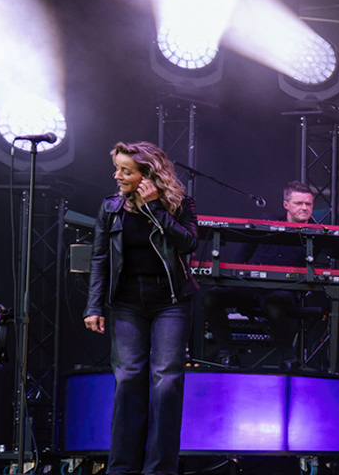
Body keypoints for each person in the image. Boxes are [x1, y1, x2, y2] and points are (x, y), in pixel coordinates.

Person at [84, 141, 201, 475]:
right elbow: (100, 258)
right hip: (126, 302)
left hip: (171, 301)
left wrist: (155, 209)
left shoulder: (180, 203)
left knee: (166, 382)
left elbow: (189, 243)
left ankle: (160, 469)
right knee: (128, 381)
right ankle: (122, 468)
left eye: (126, 171)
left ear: (147, 175)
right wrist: (94, 306)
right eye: (117, 169)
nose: (117, 176)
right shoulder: (111, 208)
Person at [207, 181, 339, 364]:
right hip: (251, 287)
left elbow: (336, 253)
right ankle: (227, 354)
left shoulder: (317, 231)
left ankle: (288, 359)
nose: (304, 208)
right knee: (212, 297)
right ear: (286, 204)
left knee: (274, 304)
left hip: (284, 291)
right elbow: (244, 251)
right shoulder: (267, 221)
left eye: (308, 204)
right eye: (299, 203)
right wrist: (231, 275)